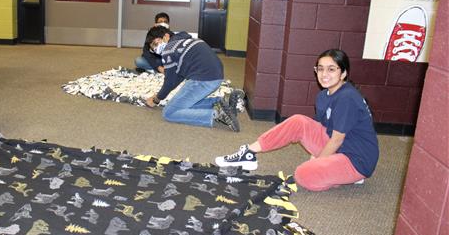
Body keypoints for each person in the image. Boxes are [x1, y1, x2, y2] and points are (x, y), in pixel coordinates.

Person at [215, 49, 379, 191]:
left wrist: (318, 162)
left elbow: (336, 140)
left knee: (303, 175)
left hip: (356, 159)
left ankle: (350, 176)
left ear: (343, 73)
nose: (324, 75)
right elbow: (319, 127)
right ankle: (249, 153)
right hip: (340, 146)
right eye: (320, 69)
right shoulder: (324, 95)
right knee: (298, 121)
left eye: (331, 69)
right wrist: (318, 157)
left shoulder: (347, 97)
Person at [144, 25, 243, 131]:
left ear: (166, 36)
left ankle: (217, 114)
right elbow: (178, 76)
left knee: (169, 112)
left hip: (202, 80)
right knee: (184, 104)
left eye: (156, 43)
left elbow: (170, 82)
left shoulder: (169, 49)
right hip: (216, 77)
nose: (156, 49)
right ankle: (223, 102)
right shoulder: (186, 40)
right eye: (153, 49)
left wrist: (156, 99)